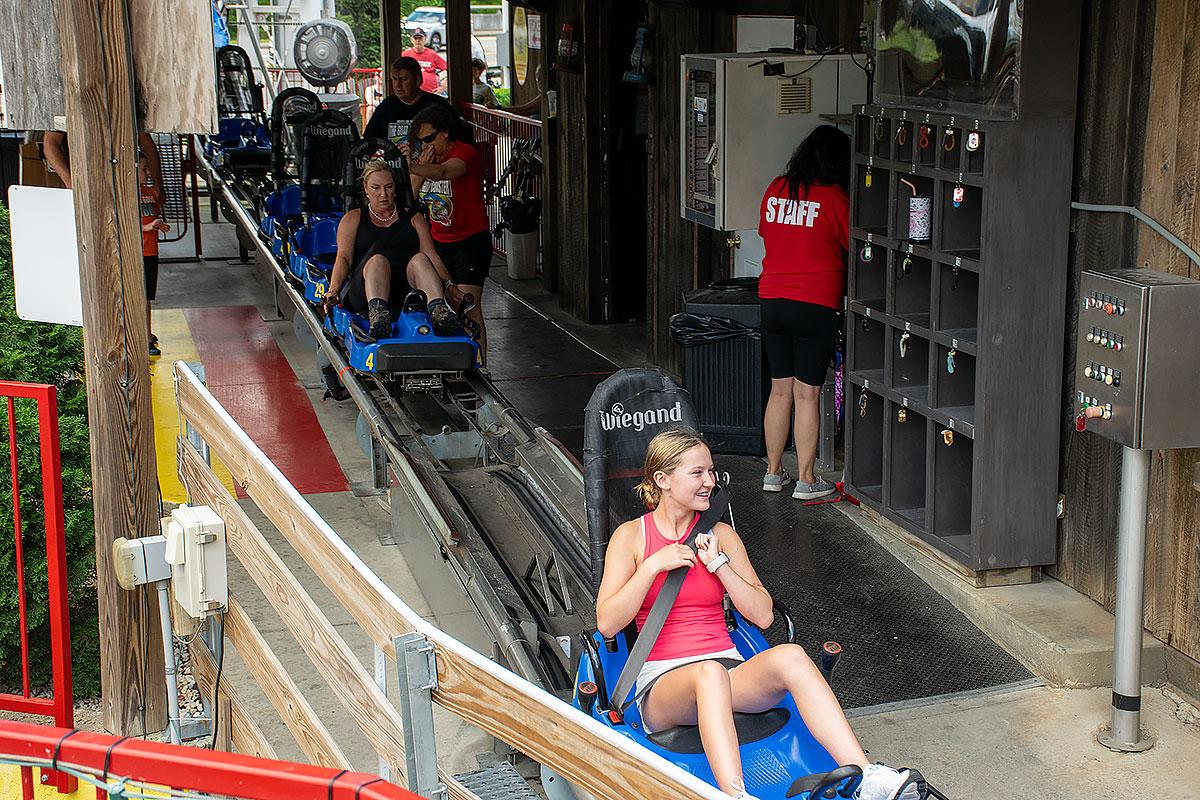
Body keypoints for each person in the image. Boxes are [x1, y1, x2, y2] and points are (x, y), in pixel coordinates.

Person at [596, 429, 921, 800]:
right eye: (697, 473)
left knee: (791, 656)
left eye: (711, 471)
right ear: (663, 480)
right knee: (709, 674)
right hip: (664, 684)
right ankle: (735, 794)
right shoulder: (632, 537)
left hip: (729, 671)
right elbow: (607, 622)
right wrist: (652, 567)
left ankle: (867, 776)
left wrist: (719, 565)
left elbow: (764, 616)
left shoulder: (721, 535)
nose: (710, 481)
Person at [757, 125, 851, 500]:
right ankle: (807, 480)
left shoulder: (777, 188)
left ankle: (772, 472)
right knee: (807, 394)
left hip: (772, 299)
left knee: (780, 389)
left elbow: (767, 234)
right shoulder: (835, 198)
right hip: (816, 302)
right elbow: (853, 244)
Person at [323, 160, 465, 339]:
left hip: (407, 288)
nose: (383, 194)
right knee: (378, 260)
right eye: (376, 188)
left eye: (388, 187)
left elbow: (431, 256)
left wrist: (449, 285)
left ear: (395, 188)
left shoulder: (414, 218)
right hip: (368, 287)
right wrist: (333, 290)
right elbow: (344, 258)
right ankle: (378, 317)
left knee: (421, 259)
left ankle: (439, 312)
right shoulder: (353, 218)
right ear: (366, 188)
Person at [407, 104, 491, 360]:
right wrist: (419, 167)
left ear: (445, 132)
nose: (427, 146)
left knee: (468, 305)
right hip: (438, 242)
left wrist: (412, 167)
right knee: (441, 305)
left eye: (430, 139)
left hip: (470, 240)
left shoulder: (465, 152)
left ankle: (479, 364)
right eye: (421, 142)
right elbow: (410, 198)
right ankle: (454, 361)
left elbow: (445, 172)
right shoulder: (425, 161)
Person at [362, 56, 454, 149]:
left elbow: (456, 140)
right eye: (395, 79)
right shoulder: (386, 106)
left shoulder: (438, 105)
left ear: (417, 80)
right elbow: (368, 141)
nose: (398, 85)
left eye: (404, 79)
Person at [139, 151, 169, 356]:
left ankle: (147, 333)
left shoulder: (151, 192)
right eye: (144, 169)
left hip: (151, 249)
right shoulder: (126, 194)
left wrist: (158, 225)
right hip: (138, 251)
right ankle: (143, 336)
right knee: (141, 296)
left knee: (148, 296)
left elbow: (153, 217)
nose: (148, 173)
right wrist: (146, 228)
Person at [402, 28, 446, 95]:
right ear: (411, 40)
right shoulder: (405, 54)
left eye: (420, 38)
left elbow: (449, 69)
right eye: (415, 38)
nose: (418, 40)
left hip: (431, 93)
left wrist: (443, 86)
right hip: (411, 94)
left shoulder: (432, 54)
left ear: (425, 39)